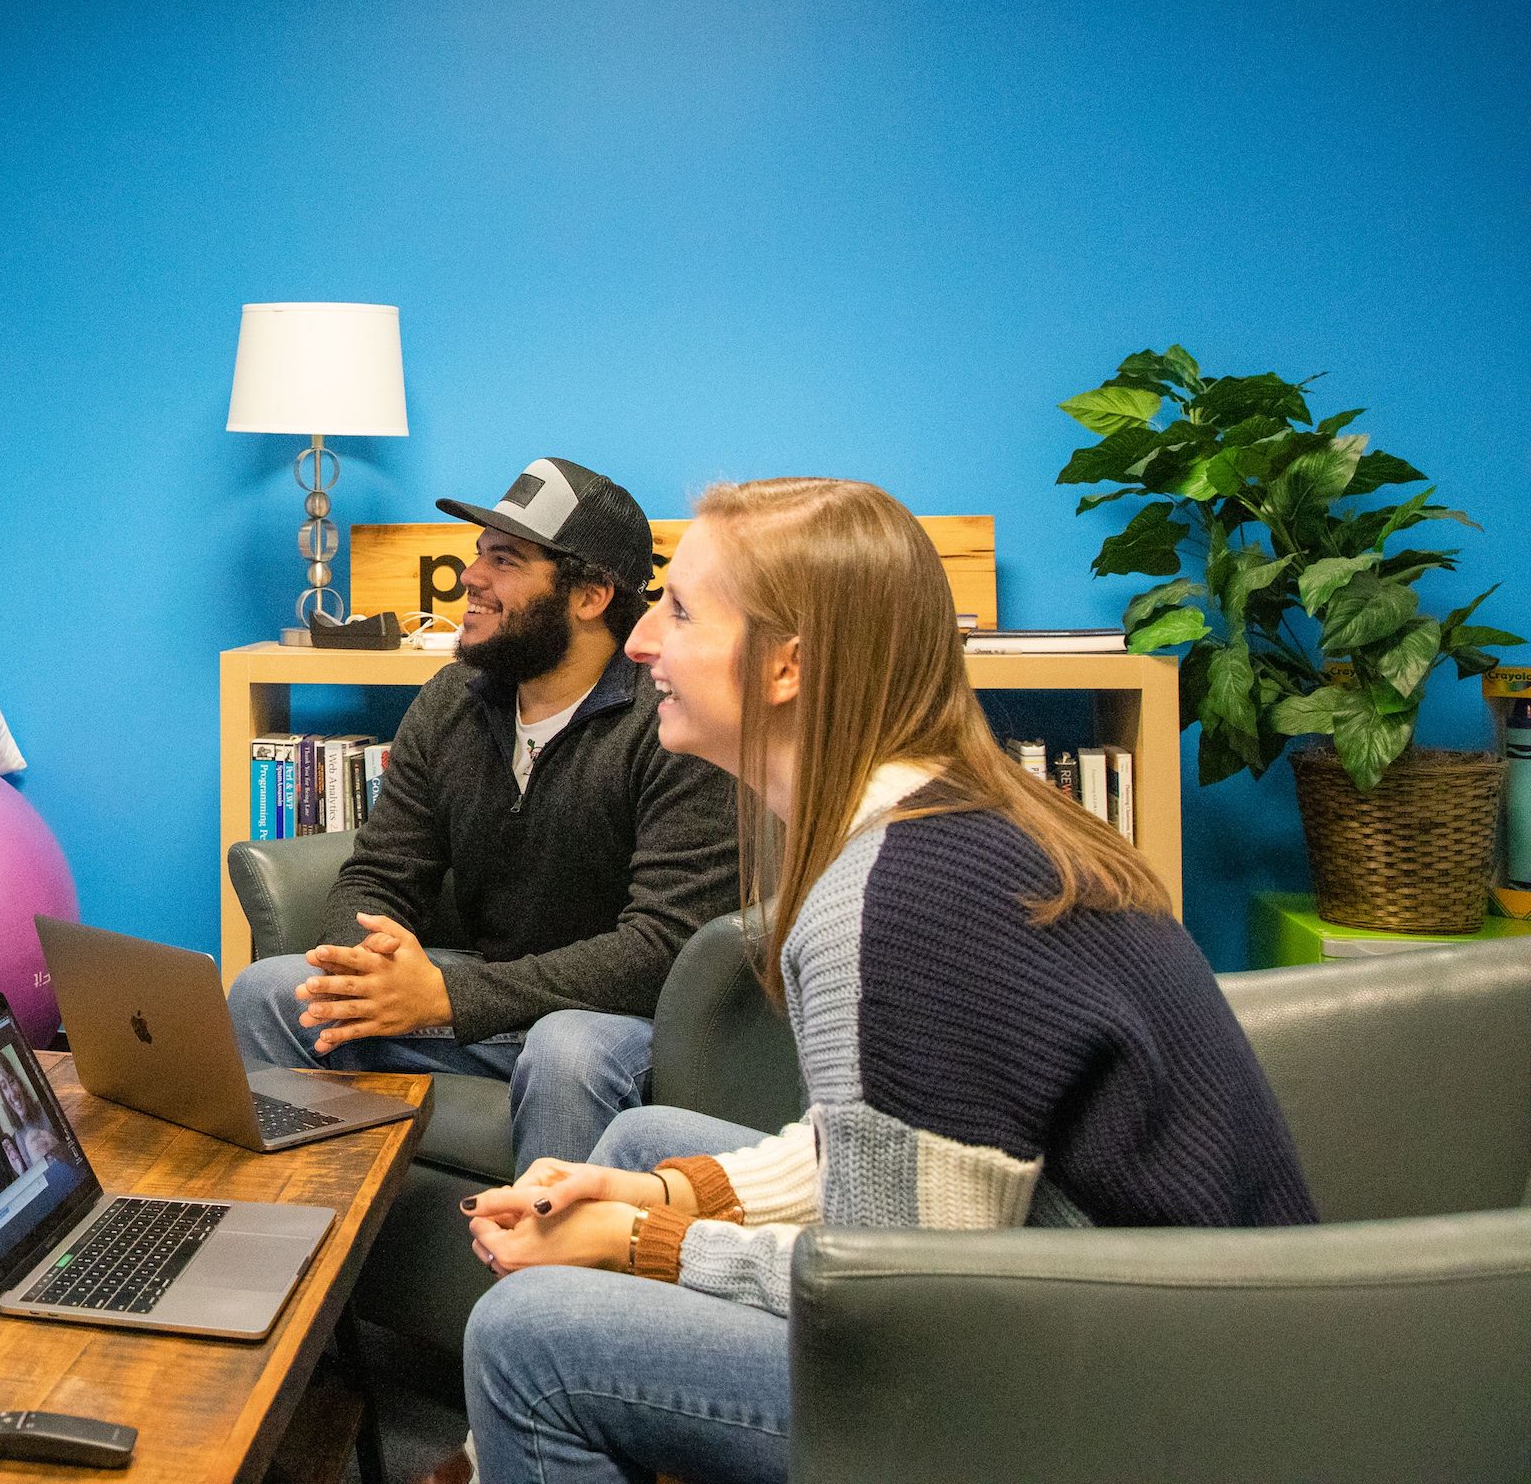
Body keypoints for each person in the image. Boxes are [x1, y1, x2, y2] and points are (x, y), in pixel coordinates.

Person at [443, 478, 1315, 1484]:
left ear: (788, 664)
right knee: (645, 1139)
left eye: (679, 611)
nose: (641, 643)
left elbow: (901, 1295)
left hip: (1145, 1399)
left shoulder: (906, 894)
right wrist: (657, 1190)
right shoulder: (938, 820)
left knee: (528, 1337)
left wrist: (646, 1240)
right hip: (1109, 1309)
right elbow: (904, 1152)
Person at [227, 457, 741, 1173]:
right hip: (487, 1007)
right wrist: (365, 975)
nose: (472, 576)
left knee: (567, 1049)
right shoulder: (454, 698)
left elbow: (662, 948)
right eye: (477, 554)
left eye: (505, 560)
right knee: (266, 994)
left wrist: (447, 995)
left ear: (591, 594)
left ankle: (548, 1283)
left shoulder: (672, 720)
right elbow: (380, 872)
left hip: (622, 1024)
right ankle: (306, 1250)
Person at [0, 1053, 59, 1168]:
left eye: (11, 1081)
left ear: (19, 1082)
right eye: (4, 1088)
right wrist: (22, 1171)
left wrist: (56, 1146)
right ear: (3, 1096)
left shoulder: (46, 1107)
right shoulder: (19, 1138)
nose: (12, 1094)